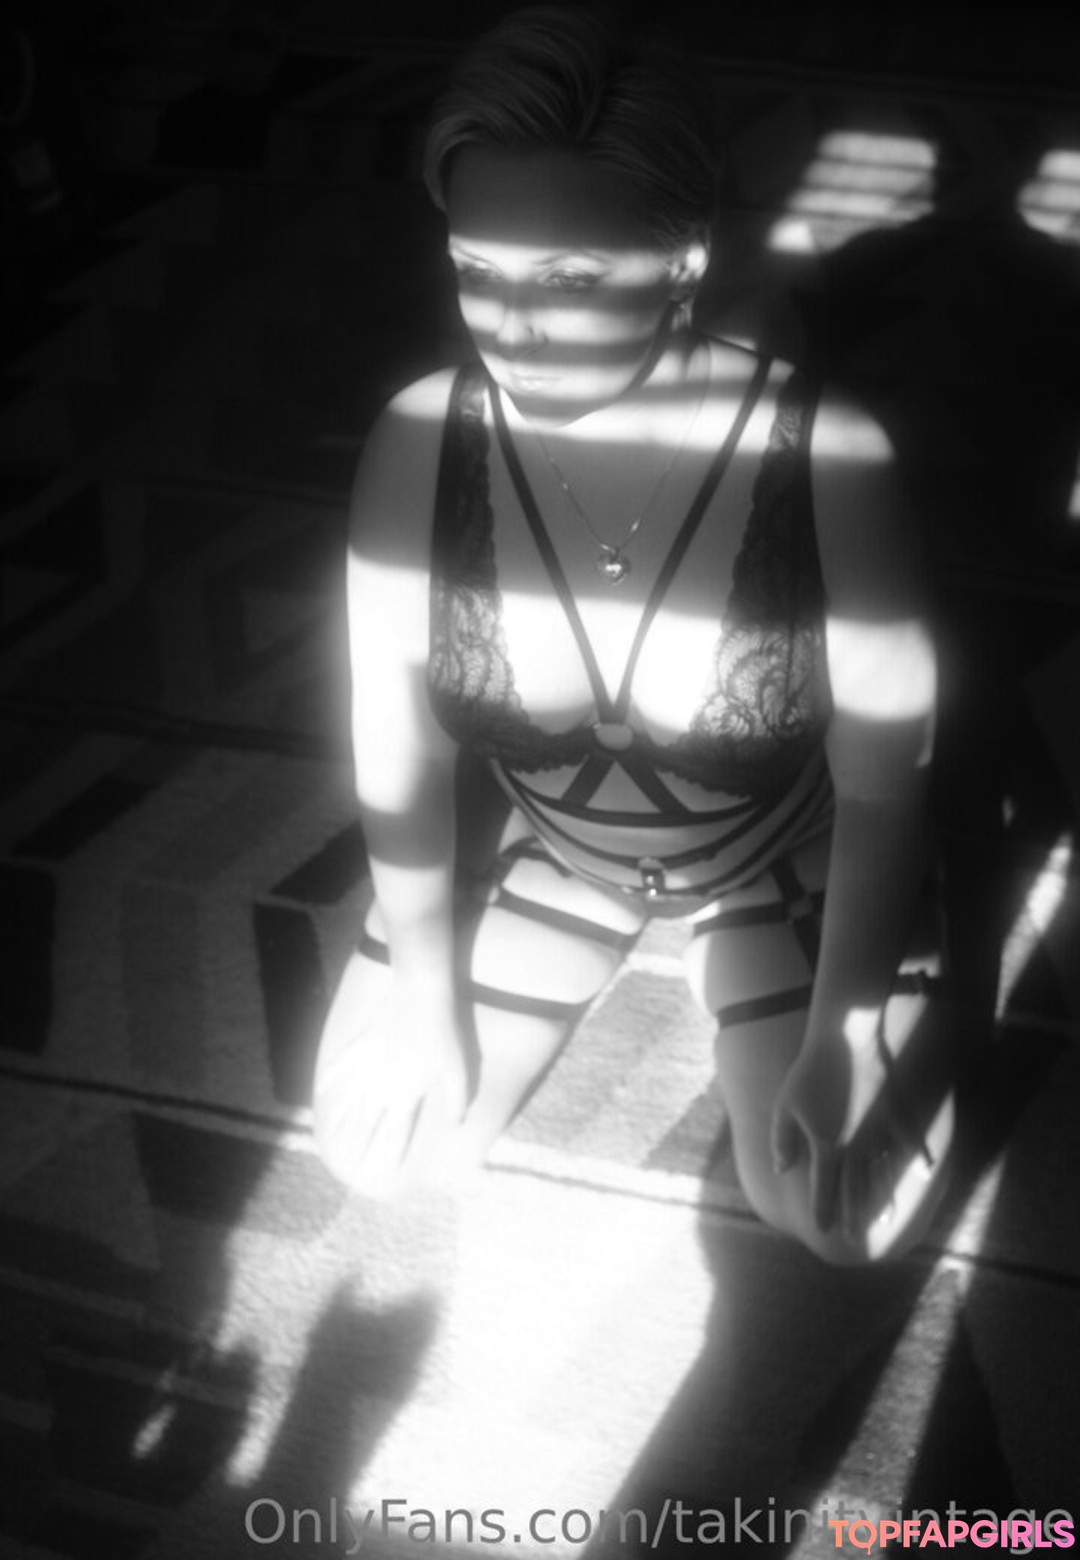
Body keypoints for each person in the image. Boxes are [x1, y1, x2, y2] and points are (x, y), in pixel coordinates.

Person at [312, 6, 957, 1263]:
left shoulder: (831, 457)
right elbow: (395, 749)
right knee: (388, 1157)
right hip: (560, 854)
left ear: (679, 259)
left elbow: (887, 788)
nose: (512, 331)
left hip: (786, 854)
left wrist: (845, 1033)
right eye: (476, 270)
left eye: (568, 280)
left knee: (835, 1225)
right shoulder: (418, 442)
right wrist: (426, 994)